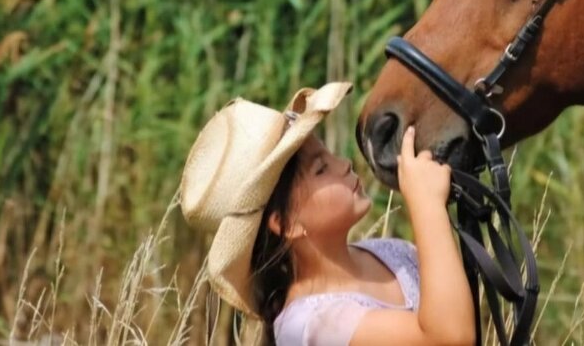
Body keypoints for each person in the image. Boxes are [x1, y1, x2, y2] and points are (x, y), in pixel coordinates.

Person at [179, 82, 476, 345]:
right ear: (286, 223)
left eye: (329, 154)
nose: (343, 163)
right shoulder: (309, 326)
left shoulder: (393, 254)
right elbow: (449, 336)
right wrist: (427, 205)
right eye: (321, 169)